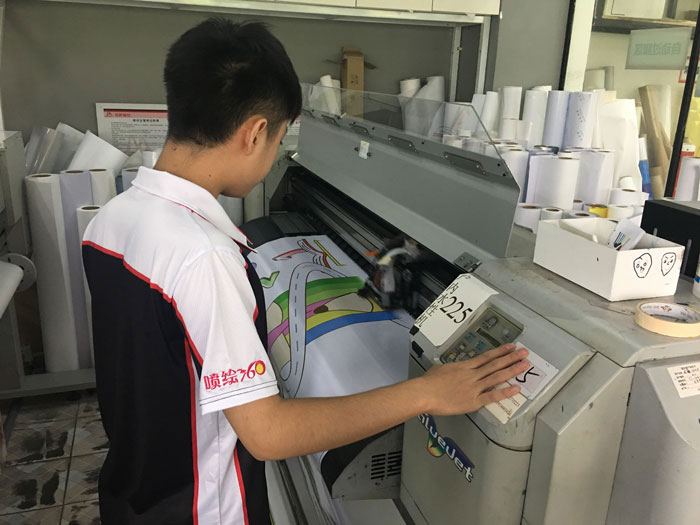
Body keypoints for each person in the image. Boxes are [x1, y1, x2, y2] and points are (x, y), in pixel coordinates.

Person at [82, 18, 528, 525]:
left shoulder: (111, 220)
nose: (274, 155)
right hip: (202, 510)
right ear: (255, 133)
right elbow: (268, 434)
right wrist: (427, 391)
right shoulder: (204, 258)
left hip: (134, 494)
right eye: (278, 140)